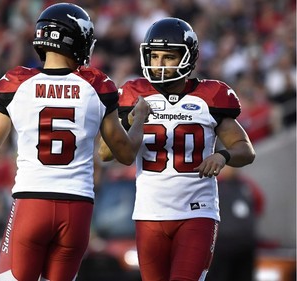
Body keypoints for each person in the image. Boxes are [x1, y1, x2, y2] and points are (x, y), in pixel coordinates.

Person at [0, 3, 150, 281]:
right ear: (75, 40)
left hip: (32, 204)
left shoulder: (16, 83)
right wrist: (139, 119)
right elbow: (126, 154)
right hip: (77, 208)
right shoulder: (96, 85)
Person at [99, 17, 256, 281]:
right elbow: (105, 152)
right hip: (149, 214)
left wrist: (222, 155)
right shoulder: (132, 94)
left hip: (196, 213)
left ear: (188, 58)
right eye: (155, 55)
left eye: (168, 57)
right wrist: (130, 118)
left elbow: (246, 150)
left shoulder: (210, 97)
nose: (159, 64)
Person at [205, 165, 264, 281]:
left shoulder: (248, 185)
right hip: (221, 245)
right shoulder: (215, 185)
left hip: (245, 244)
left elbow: (258, 205)